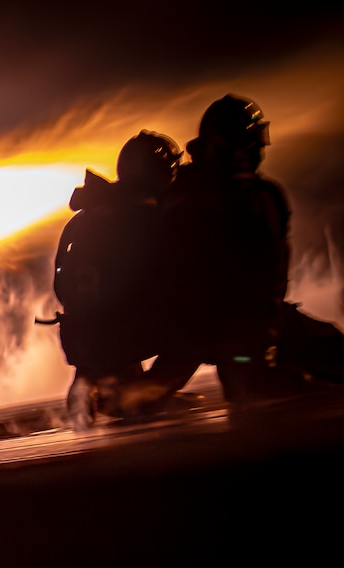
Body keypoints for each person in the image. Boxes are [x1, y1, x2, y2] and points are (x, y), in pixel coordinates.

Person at [142, 93, 331, 408]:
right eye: (256, 138)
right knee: (325, 366)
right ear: (240, 142)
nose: (262, 147)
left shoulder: (174, 194)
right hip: (243, 334)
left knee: (141, 399)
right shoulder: (260, 197)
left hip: (187, 334)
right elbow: (269, 279)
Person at [46, 130, 185, 428]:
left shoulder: (81, 220)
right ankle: (150, 392)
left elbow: (61, 284)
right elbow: (173, 279)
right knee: (202, 323)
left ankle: (96, 382)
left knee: (107, 337)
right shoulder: (149, 218)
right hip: (121, 330)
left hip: (82, 338)